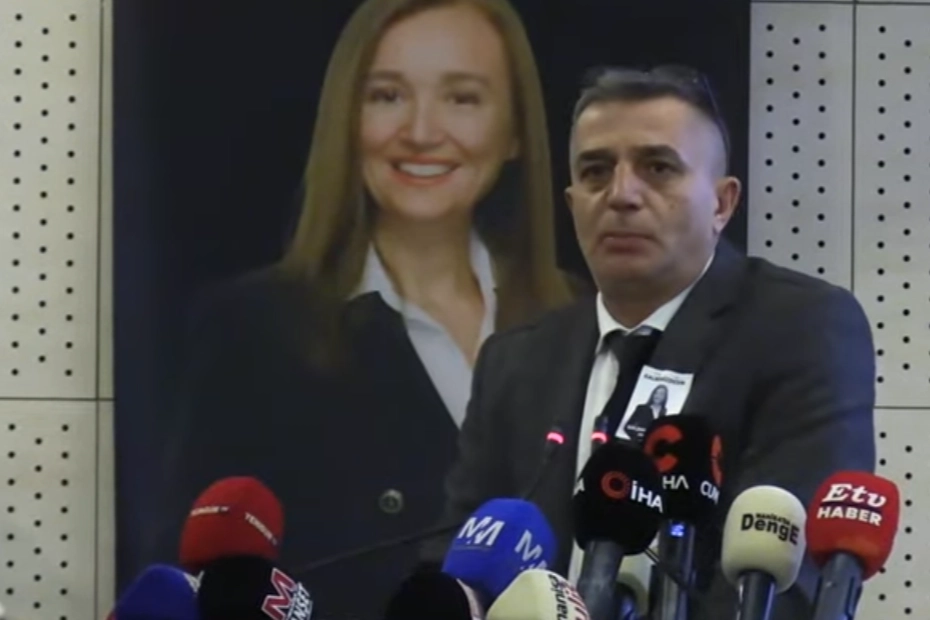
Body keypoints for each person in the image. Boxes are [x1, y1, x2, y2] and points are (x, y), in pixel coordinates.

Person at [150, 1, 577, 618]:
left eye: (462, 98)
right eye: (387, 96)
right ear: (347, 119)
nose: (422, 131)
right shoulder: (249, 330)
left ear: (515, 131)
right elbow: (194, 580)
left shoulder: (581, 316)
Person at [426, 65, 876, 619]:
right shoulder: (516, 359)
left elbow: (788, 579)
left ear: (722, 204)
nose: (621, 195)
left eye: (658, 168)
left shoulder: (798, 326)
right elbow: (457, 560)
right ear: (571, 203)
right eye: (596, 171)